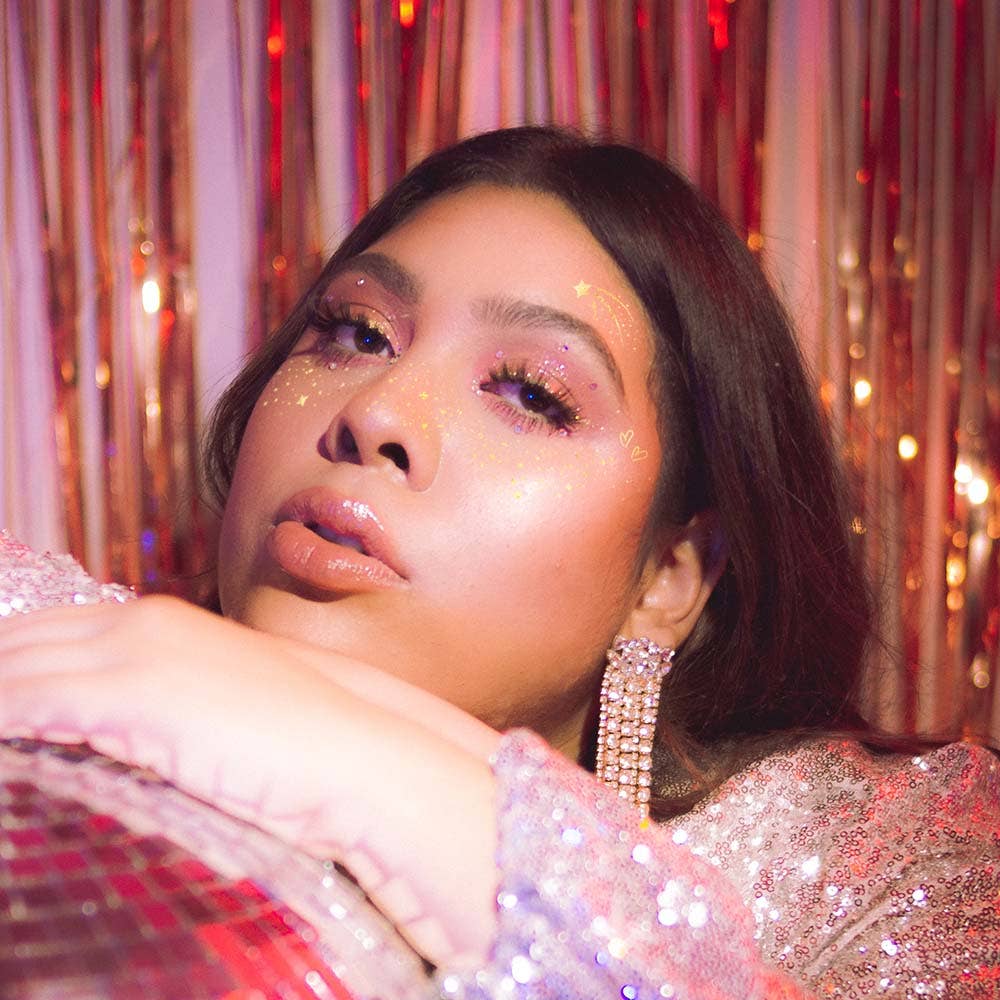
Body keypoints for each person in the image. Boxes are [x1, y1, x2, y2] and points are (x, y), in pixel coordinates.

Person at [0, 126, 996, 998]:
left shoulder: (877, 872)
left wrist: (396, 784)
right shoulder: (45, 643)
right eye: (354, 333)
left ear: (668, 578)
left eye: (529, 394)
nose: (377, 413)